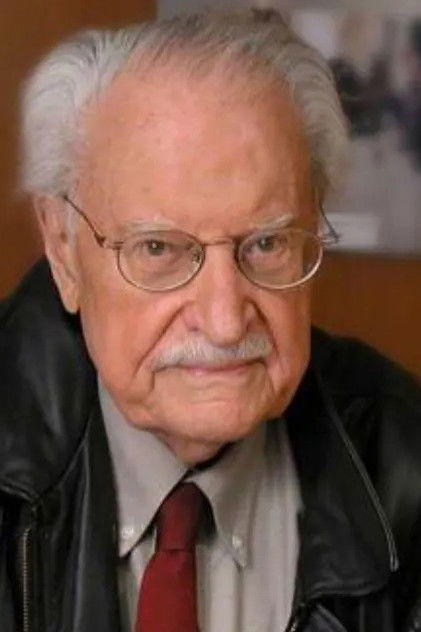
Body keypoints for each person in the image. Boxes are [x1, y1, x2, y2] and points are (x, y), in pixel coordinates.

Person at [1, 9, 420, 632]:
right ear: (63, 250)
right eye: (158, 250)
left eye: (267, 243)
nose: (225, 323)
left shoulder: (407, 465)